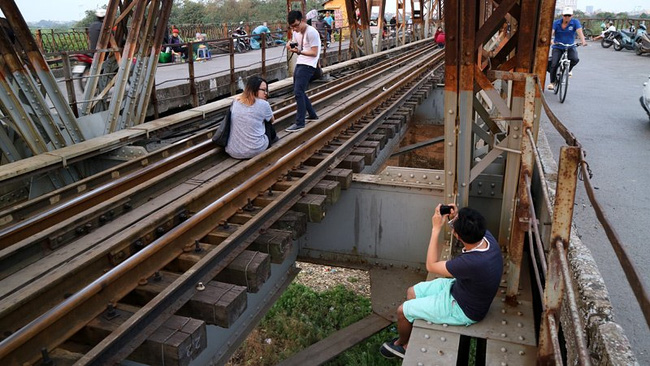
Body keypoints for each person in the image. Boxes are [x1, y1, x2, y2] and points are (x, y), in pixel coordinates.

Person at [380, 204, 503, 359]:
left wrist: (436, 229)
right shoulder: (485, 237)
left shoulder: (471, 262)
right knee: (412, 292)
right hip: (462, 289)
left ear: (458, 236)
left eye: (454, 228)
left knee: (402, 311)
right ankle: (416, 321)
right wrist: (455, 217)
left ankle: (402, 345)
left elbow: (431, 265)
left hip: (463, 309)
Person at [225, 76, 278, 159]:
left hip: (233, 151)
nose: (266, 93)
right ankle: (275, 139)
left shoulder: (236, 101)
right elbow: (272, 120)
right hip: (254, 150)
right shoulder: (264, 104)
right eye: (263, 90)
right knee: (267, 121)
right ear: (254, 89)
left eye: (266, 90)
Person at [285, 10, 321, 133]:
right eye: (292, 26)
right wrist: (290, 44)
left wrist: (299, 52)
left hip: (309, 65)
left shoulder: (312, 33)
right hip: (301, 62)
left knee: (298, 92)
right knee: (299, 90)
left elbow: (314, 53)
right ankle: (312, 115)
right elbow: (296, 44)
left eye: (296, 25)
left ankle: (300, 123)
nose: (294, 28)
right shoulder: (296, 32)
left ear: (302, 20)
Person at [547, 7, 587, 91]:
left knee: (574, 59)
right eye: (565, 15)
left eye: (569, 15)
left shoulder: (575, 22)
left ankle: (568, 70)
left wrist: (583, 41)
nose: (567, 17)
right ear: (562, 15)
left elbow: (580, 32)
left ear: (572, 16)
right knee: (554, 64)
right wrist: (551, 41)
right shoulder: (556, 23)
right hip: (558, 46)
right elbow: (551, 32)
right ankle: (552, 82)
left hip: (570, 46)